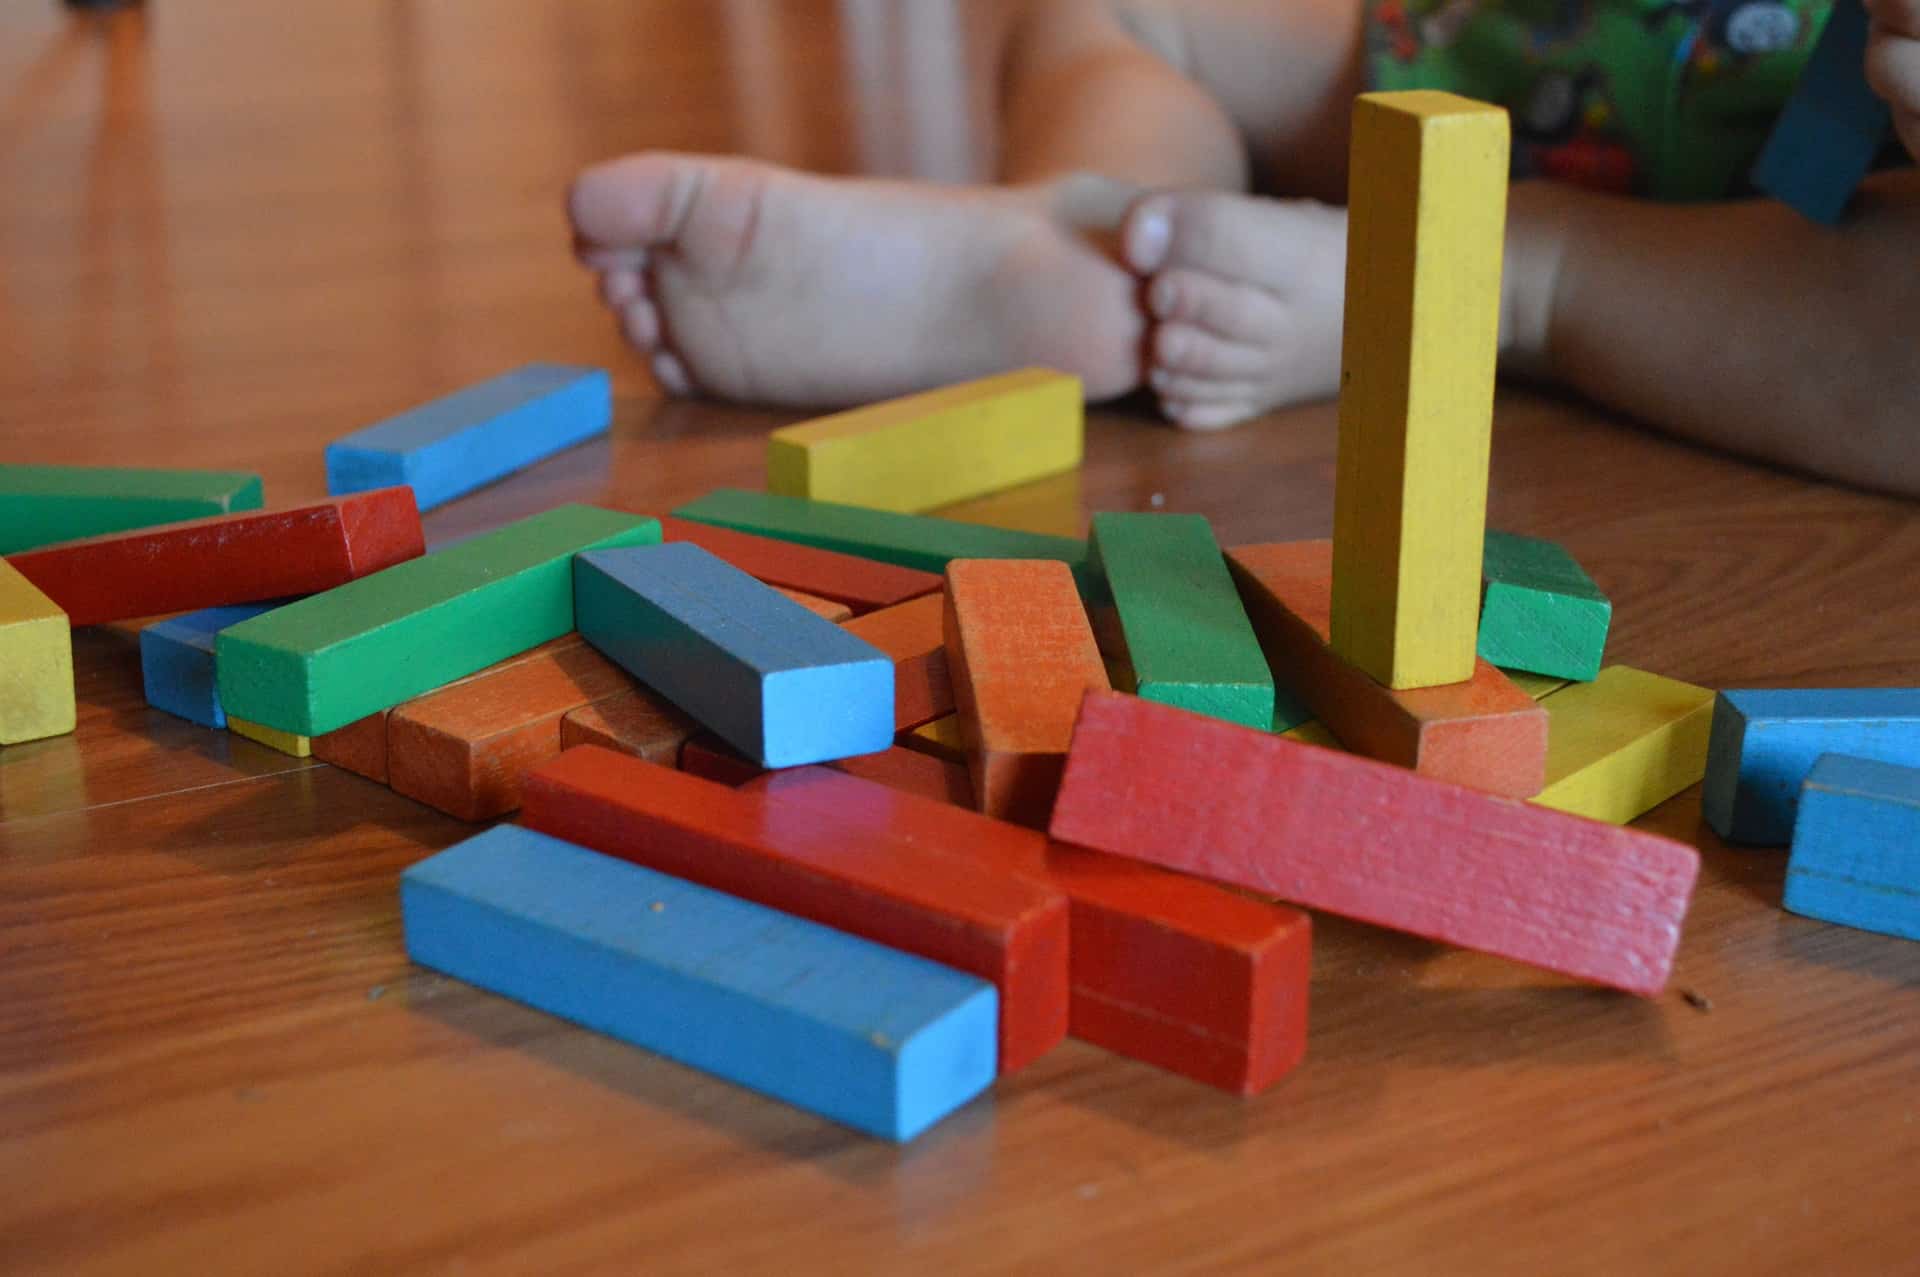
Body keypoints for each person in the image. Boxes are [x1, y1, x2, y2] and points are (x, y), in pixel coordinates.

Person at [568, 0, 1920, 495]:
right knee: (1124, 10)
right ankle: (1099, 232)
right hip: (1537, 49)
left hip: (1822, 227)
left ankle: (1490, 276)